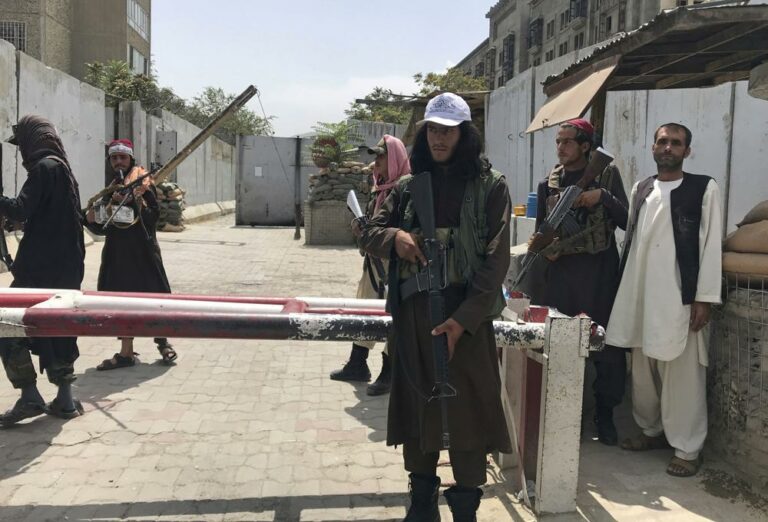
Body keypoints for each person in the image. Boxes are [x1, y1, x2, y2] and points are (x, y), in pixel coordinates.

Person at [360, 93, 512, 521]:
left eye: (447, 130)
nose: (438, 138)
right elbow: (369, 231)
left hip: (468, 317)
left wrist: (462, 321)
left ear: (465, 134)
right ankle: (422, 501)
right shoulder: (409, 187)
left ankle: (466, 507)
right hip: (415, 317)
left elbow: (496, 260)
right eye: (432, 130)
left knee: (469, 413)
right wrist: (396, 239)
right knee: (418, 407)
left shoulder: (491, 185)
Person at [606, 123, 722, 477]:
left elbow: (711, 244)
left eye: (676, 143)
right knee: (643, 371)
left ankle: (688, 449)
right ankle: (651, 431)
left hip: (679, 298)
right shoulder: (642, 188)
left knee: (682, 375)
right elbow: (632, 244)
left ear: (687, 151)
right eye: (662, 141)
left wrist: (703, 298)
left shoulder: (703, 188)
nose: (668, 147)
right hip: (641, 295)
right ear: (653, 147)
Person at [532, 119, 629, 445]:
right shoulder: (549, 184)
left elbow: (626, 220)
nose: (560, 148)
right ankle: (564, 415)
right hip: (562, 277)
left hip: (601, 275)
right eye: (558, 142)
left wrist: (602, 197)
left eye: (567, 142)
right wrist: (545, 248)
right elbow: (541, 231)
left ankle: (605, 414)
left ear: (586, 146)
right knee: (560, 345)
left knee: (607, 349)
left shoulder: (606, 176)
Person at [0, 115, 86, 427]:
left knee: (7, 324)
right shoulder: (63, 170)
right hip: (67, 268)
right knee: (59, 327)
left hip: (39, 270)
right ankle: (65, 399)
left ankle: (29, 396)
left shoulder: (43, 169)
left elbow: (21, 208)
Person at [85, 139, 177, 370]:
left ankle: (163, 343)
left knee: (154, 298)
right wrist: (91, 219)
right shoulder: (112, 188)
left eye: (122, 157)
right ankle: (126, 353)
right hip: (118, 255)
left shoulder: (143, 183)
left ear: (131, 159)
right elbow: (103, 227)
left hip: (143, 253)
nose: (119, 162)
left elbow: (153, 215)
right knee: (121, 302)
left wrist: (133, 201)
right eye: (114, 158)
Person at [330, 135, 410, 396]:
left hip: (397, 266)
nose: (376, 162)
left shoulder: (406, 191)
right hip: (373, 263)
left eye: (381, 156)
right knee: (364, 307)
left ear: (395, 158)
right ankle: (358, 362)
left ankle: (389, 372)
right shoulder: (379, 189)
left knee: (395, 316)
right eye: (375, 157)